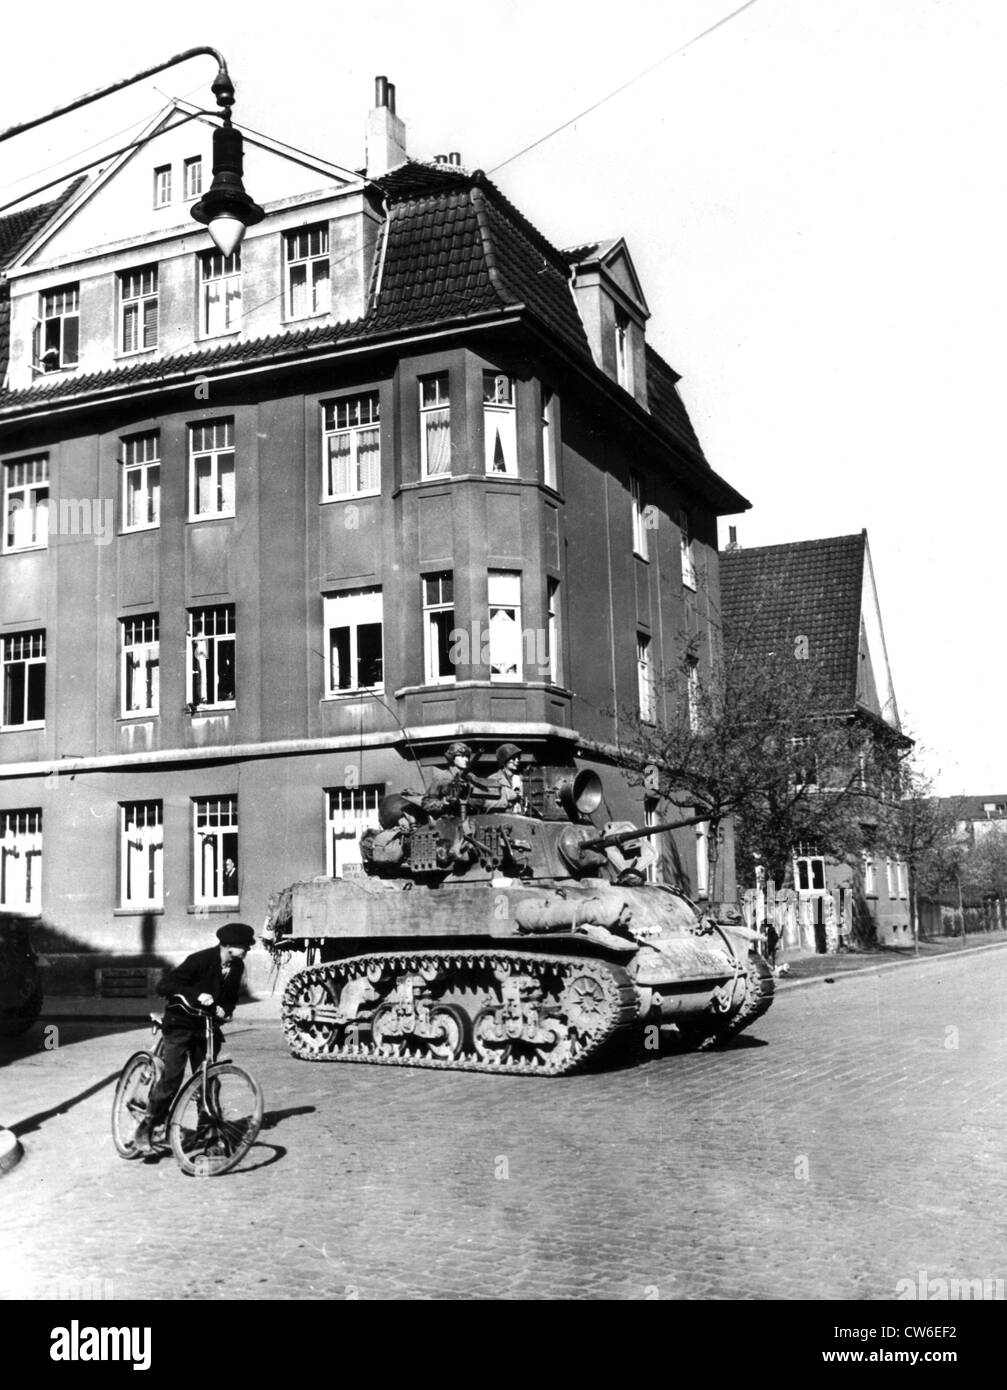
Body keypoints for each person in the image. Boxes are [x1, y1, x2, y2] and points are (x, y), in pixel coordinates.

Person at [133, 922, 254, 1153]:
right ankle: (147, 1126)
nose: (246, 952)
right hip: (180, 1025)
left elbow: (230, 999)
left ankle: (209, 1134)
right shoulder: (200, 960)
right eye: (243, 947)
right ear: (227, 945)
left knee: (208, 1081)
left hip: (206, 1028)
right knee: (171, 1080)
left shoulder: (237, 967)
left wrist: (225, 1010)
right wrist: (197, 994)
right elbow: (165, 985)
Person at [422, 742, 477, 818]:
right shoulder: (441, 777)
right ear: (452, 758)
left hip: (470, 819)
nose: (466, 759)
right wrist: (443, 802)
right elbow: (426, 804)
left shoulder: (472, 777)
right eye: (462, 756)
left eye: (467, 756)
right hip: (448, 819)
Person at [484, 743, 528, 813]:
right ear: (504, 760)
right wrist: (509, 797)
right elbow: (489, 805)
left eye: (518, 757)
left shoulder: (522, 779)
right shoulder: (493, 779)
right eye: (513, 758)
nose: (517, 760)